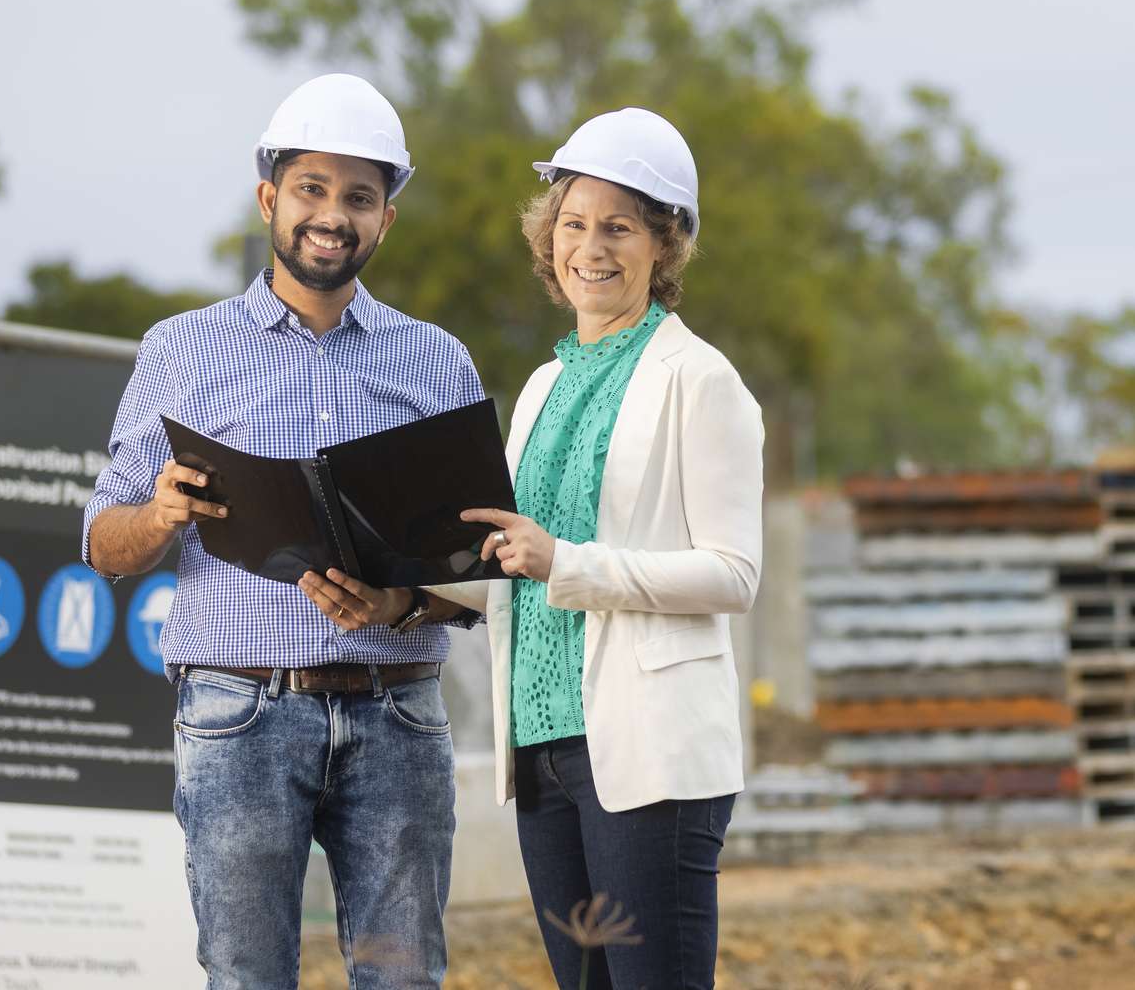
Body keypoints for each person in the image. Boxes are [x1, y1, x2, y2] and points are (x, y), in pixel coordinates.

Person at [81, 73, 482, 990]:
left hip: (399, 714)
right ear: (269, 198)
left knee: (405, 978)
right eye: (311, 189)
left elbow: (485, 569)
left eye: (359, 197)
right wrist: (161, 512)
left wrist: (404, 598)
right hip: (239, 715)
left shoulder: (438, 361)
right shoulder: (181, 349)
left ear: (386, 219)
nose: (331, 215)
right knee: (246, 976)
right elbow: (103, 543)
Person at [435, 107, 763, 989]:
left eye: (619, 227)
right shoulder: (542, 385)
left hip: (650, 755)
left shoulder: (701, 379)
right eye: (573, 225)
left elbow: (734, 574)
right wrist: (408, 590)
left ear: (665, 245)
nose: (591, 247)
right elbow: (516, 557)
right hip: (542, 748)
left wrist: (568, 564)